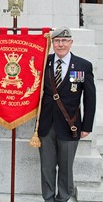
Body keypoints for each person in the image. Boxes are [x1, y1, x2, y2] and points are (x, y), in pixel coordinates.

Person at [38, 27, 96, 202]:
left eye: (64, 41)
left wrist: (87, 126)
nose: (60, 44)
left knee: (66, 166)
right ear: (52, 43)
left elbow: (90, 99)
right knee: (47, 166)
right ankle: (48, 198)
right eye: (57, 41)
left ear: (71, 42)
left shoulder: (82, 65)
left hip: (70, 124)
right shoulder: (43, 62)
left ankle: (63, 198)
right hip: (46, 125)